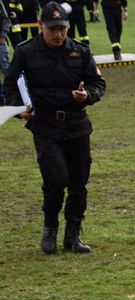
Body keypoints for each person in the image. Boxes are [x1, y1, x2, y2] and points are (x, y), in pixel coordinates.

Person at [4, 1, 105, 254]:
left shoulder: (80, 51)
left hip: (77, 124)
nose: (58, 34)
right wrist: (19, 109)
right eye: (52, 29)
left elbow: (98, 83)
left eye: (62, 29)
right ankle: (50, 228)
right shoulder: (26, 51)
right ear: (41, 26)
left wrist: (87, 95)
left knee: (78, 182)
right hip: (45, 125)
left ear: (68, 27)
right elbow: (10, 85)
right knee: (55, 179)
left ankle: (73, 234)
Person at [0, 1, 10, 105]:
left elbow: (6, 19)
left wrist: (3, 35)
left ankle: (10, 95)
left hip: (0, 43)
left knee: (6, 69)